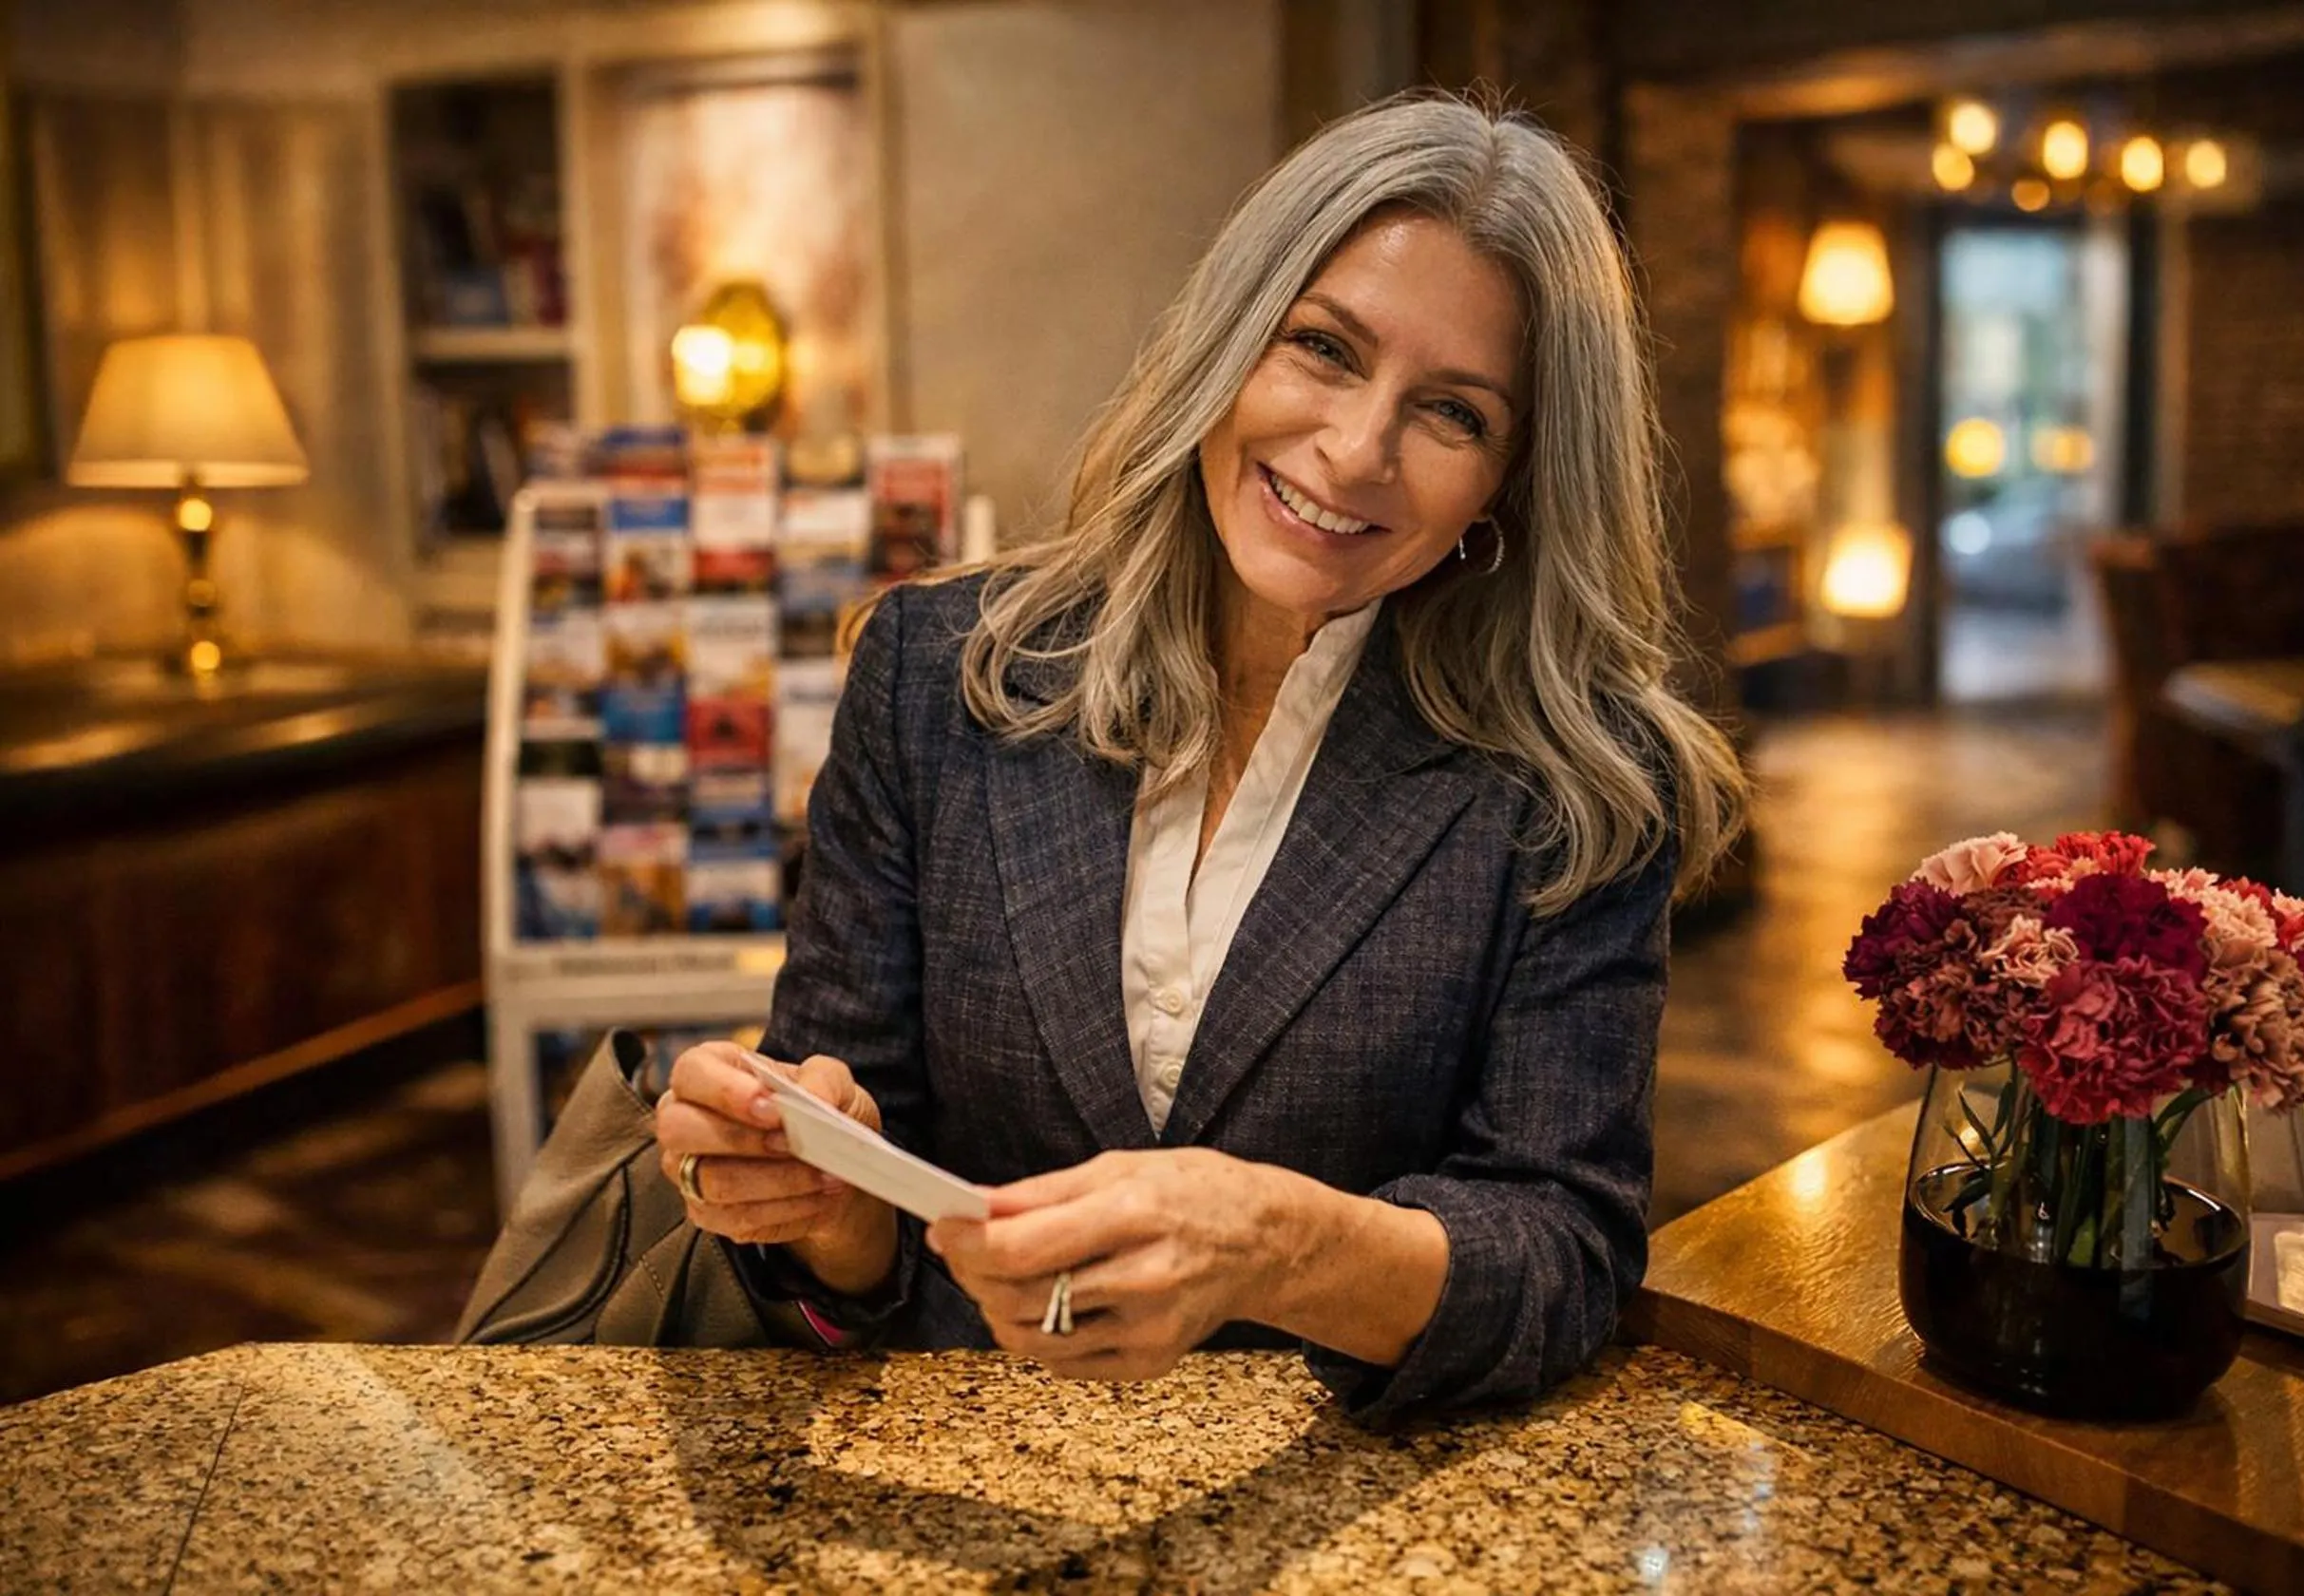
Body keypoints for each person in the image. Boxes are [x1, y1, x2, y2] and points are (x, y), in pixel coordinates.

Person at [653, 91, 1745, 1422]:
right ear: (1227, 338)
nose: (1356, 451)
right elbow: (847, 1206)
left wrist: (1282, 1247)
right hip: (957, 1465)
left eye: (1452, 414)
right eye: (1324, 349)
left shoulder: (1578, 786)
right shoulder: (938, 674)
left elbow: (1563, 1256)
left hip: (1343, 1494)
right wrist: (814, 1202)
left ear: (1511, 481)